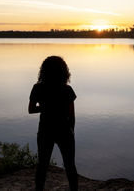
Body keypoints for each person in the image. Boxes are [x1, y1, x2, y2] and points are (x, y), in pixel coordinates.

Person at [29, 56, 78, 191]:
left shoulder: (37, 88)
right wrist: (72, 131)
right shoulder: (67, 89)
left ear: (43, 71)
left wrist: (45, 107)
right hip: (65, 131)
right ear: (64, 71)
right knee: (70, 166)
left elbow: (31, 109)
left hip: (45, 130)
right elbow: (72, 115)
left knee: (42, 165)